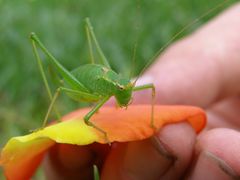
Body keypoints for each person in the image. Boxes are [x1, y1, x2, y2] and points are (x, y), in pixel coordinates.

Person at [45, 3, 240, 179]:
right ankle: (44, 123)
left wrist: (152, 123)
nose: (127, 95)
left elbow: (152, 87)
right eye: (123, 90)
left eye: (126, 90)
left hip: (101, 78)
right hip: (79, 84)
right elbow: (88, 119)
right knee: (61, 87)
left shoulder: (123, 88)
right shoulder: (104, 93)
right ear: (117, 88)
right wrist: (103, 134)